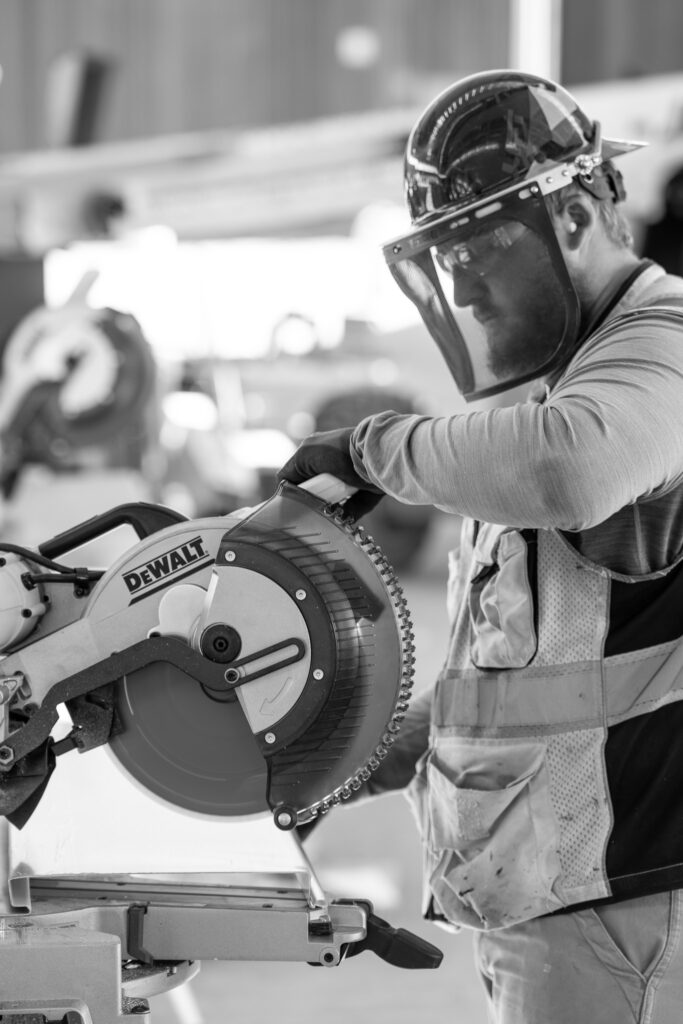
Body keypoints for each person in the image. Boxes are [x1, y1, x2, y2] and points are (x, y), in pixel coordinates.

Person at [278, 70, 683, 1023]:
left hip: (622, 912)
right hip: (560, 903)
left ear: (576, 218)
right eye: (445, 256)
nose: (461, 283)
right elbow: (562, 662)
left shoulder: (660, 349)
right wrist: (394, 741)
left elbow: (572, 473)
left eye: (479, 247)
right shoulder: (562, 388)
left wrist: (375, 451)